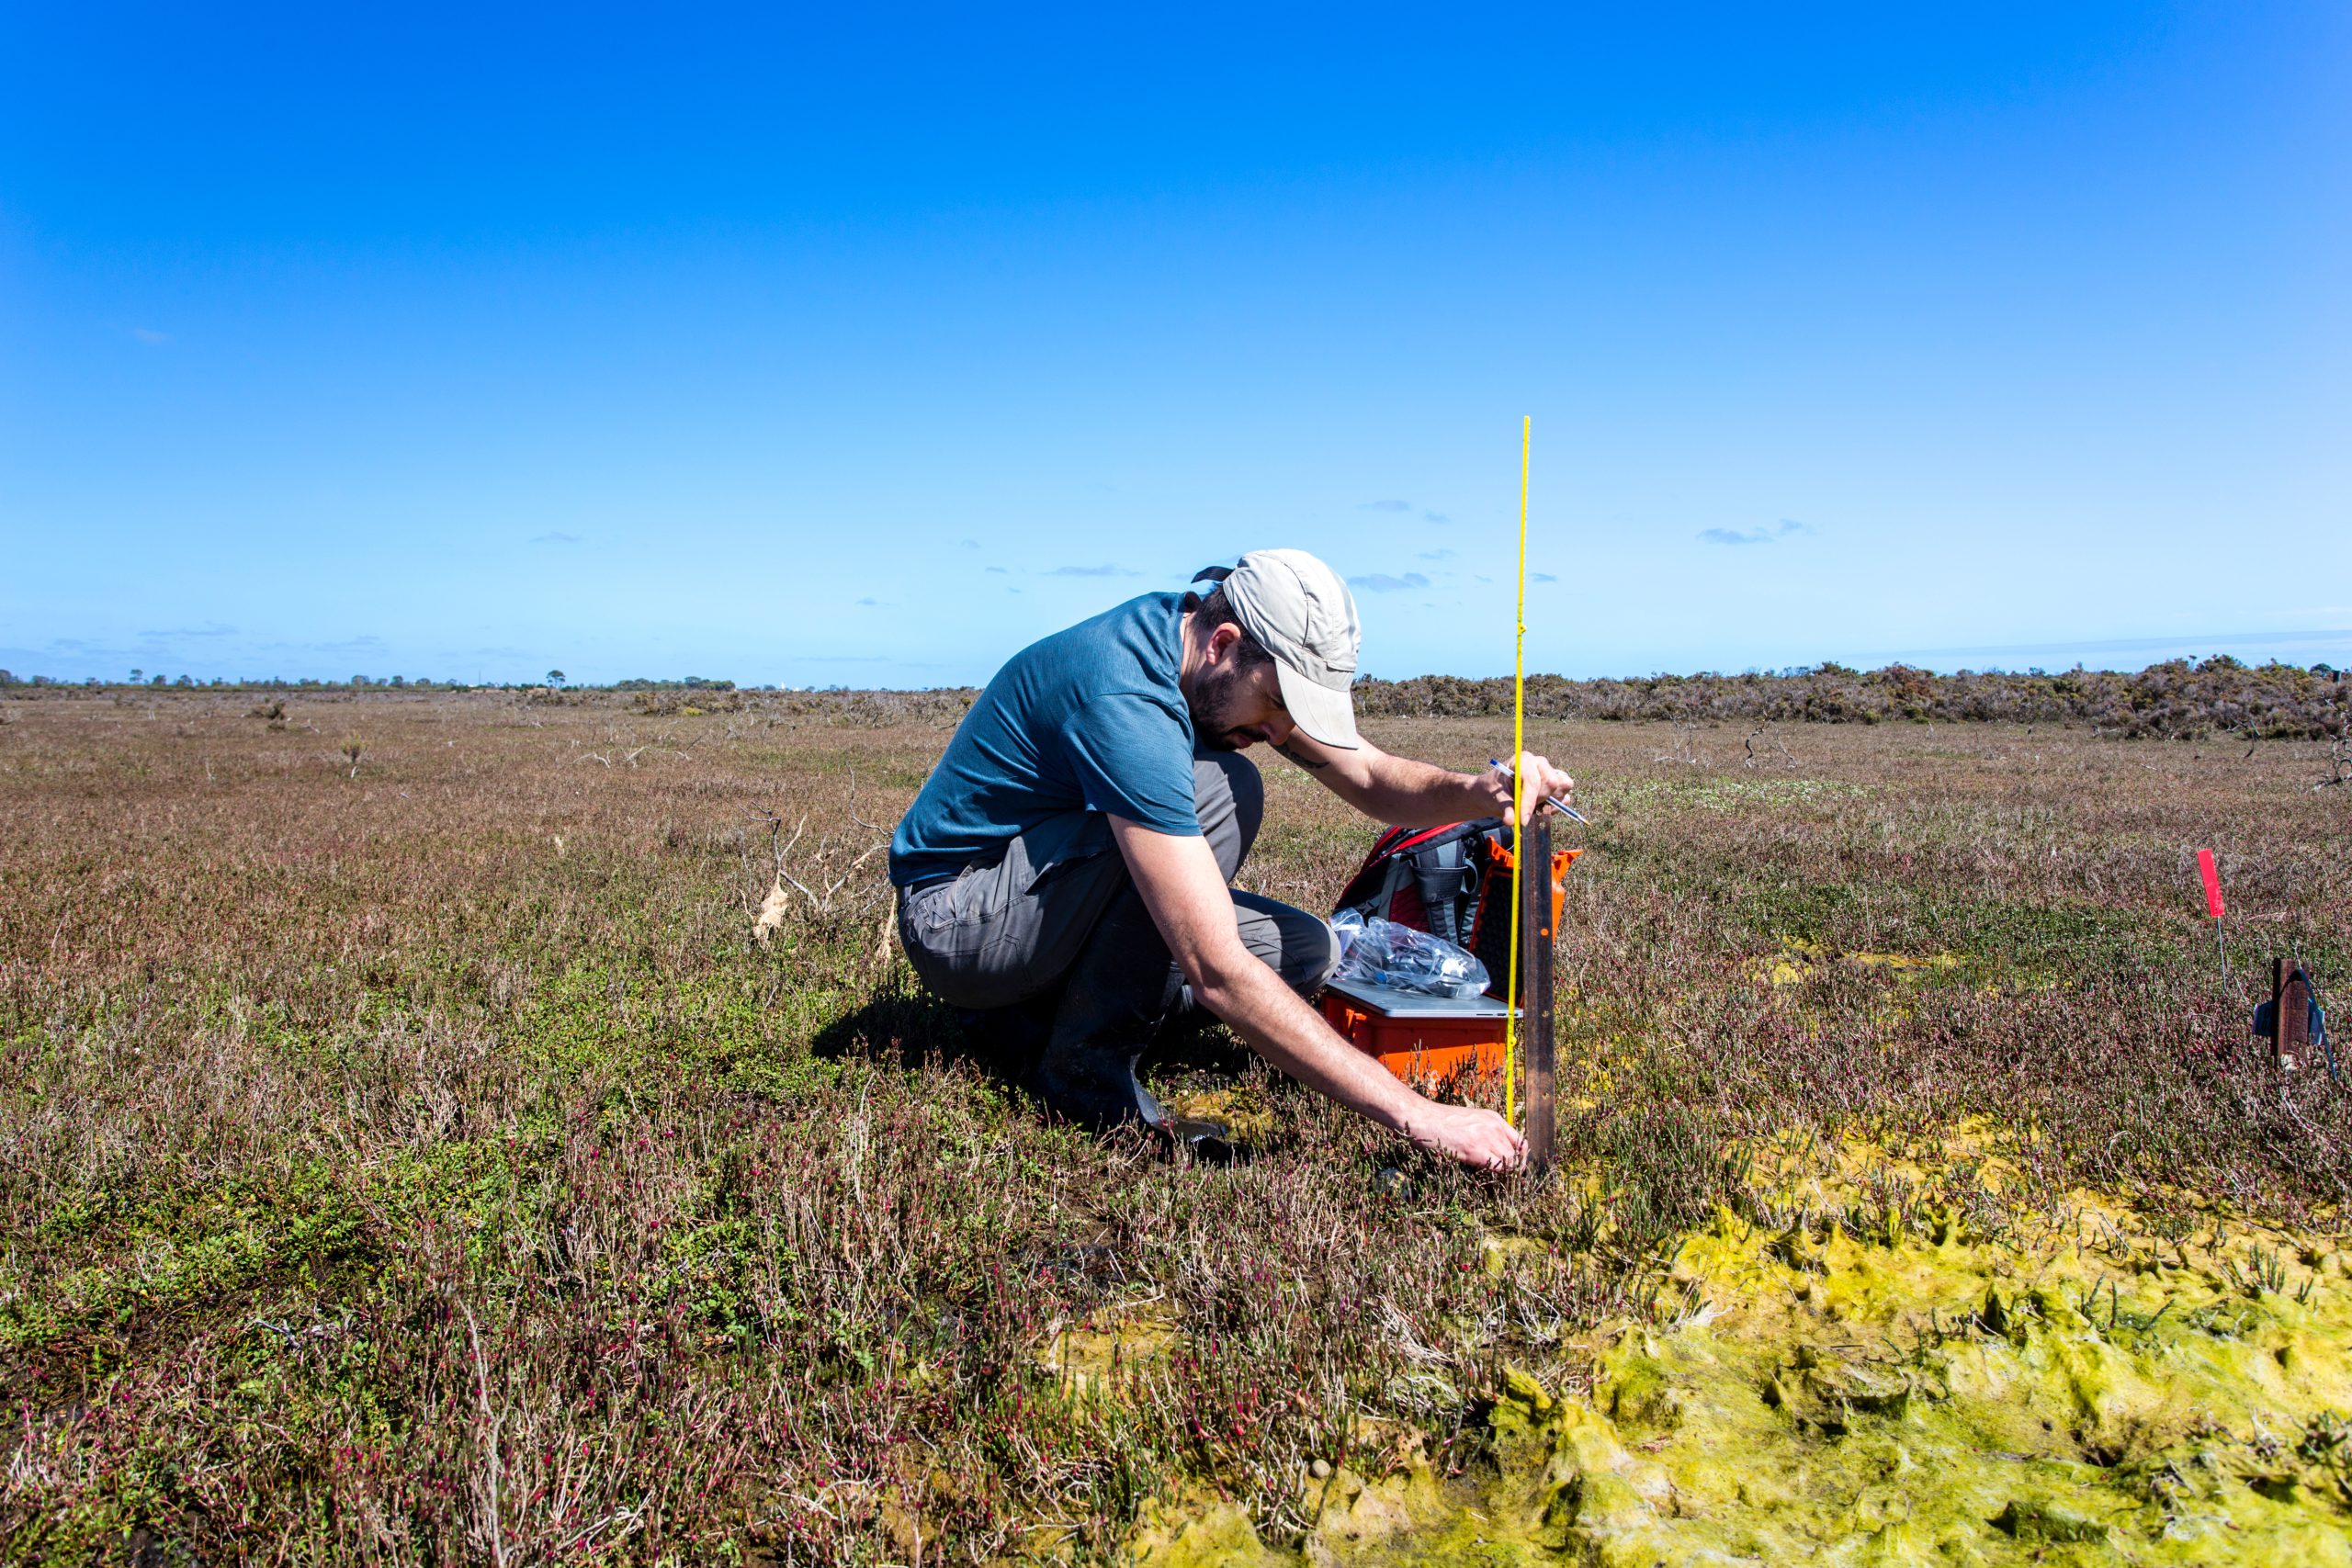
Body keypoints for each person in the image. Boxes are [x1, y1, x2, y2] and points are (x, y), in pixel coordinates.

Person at [888, 549, 1575, 1171]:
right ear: (1224, 644)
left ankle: (1039, 1021)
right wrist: (1421, 1116)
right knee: (1224, 788)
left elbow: (1365, 774)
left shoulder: (1209, 655)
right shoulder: (1128, 698)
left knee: (1306, 951)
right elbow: (1216, 971)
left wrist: (1477, 793)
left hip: (1041, 901)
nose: (1279, 732)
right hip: (958, 919)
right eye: (1278, 704)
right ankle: (1083, 1073)